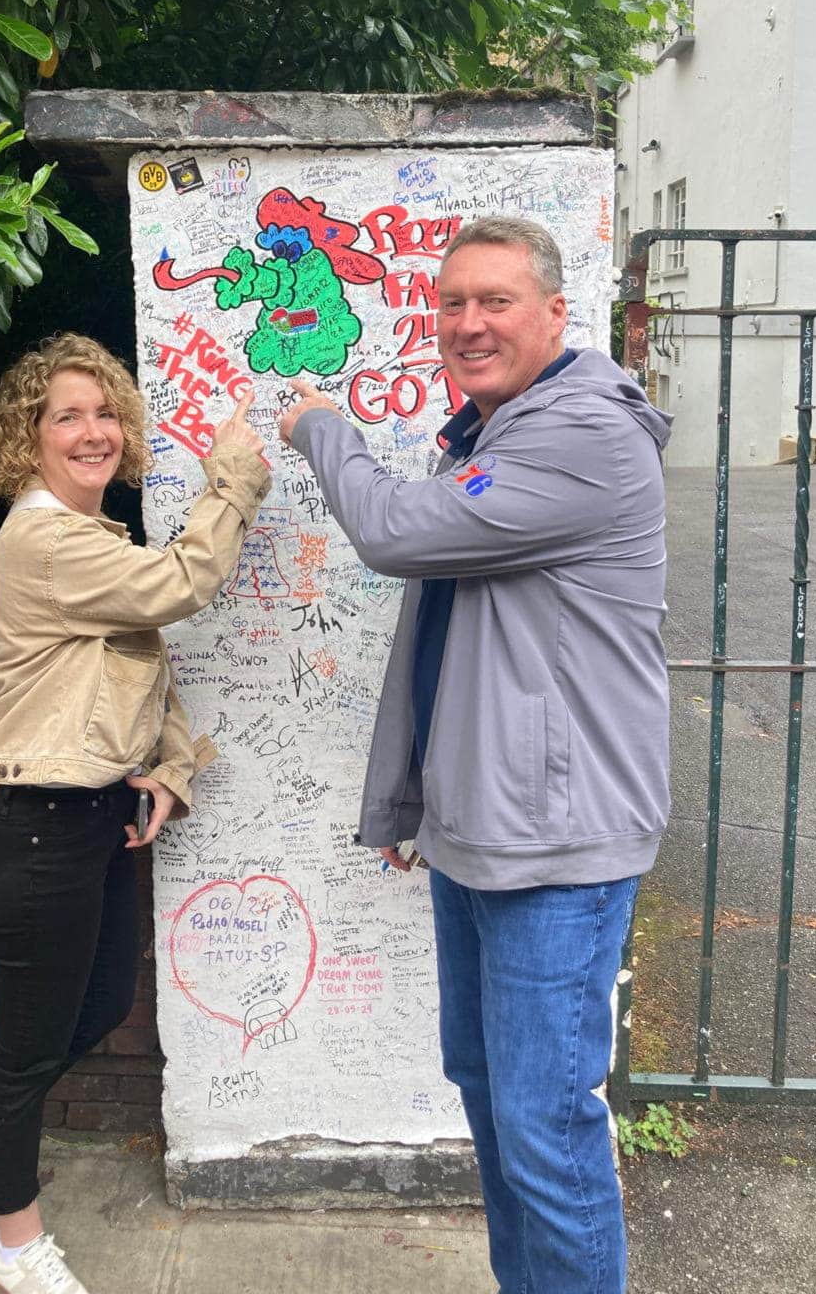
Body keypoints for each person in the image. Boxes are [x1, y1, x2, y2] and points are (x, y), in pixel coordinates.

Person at [279, 217, 671, 1294]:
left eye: (496, 300)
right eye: (452, 303)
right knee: (492, 1095)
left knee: (544, 1129)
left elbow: (397, 534)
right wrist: (421, 802)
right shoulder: (495, 432)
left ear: (557, 314)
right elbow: (455, 641)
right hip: (489, 830)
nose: (468, 323)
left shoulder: (580, 434)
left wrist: (323, 428)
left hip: (558, 846)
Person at [0, 333, 269, 1294]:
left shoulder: (91, 535)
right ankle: (14, 1242)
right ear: (28, 439)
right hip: (33, 828)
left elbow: (140, 659)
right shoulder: (45, 540)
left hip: (89, 817)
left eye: (105, 413)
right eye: (67, 416)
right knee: (26, 1052)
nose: (93, 431)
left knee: (96, 1008)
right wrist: (232, 480)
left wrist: (169, 766)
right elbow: (179, 587)